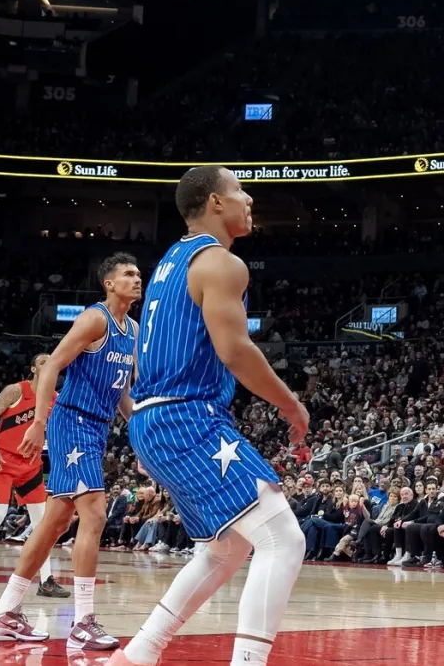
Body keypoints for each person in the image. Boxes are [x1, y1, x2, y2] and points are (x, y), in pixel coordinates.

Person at [112, 165, 309, 666]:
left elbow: (144, 354)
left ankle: (137, 654)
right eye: (240, 191)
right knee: (284, 540)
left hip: (154, 419)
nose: (249, 201)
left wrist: (147, 428)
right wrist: (290, 403)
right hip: (186, 418)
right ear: (215, 202)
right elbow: (236, 352)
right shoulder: (221, 263)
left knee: (223, 550)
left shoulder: (168, 264)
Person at [0, 253, 142, 649]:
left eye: (139, 274)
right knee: (96, 513)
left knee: (54, 523)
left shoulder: (133, 330)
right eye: (128, 274)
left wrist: (139, 433)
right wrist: (38, 423)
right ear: (108, 283)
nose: (137, 279)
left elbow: (122, 390)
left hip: (96, 427)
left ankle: (5, 611)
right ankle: (84, 620)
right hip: (71, 421)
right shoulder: (96, 318)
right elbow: (52, 365)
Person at [0, 354, 69, 600]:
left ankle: (46, 581)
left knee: (43, 524)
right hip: (3, 461)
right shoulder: (16, 391)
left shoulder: (55, 400)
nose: (48, 363)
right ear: (33, 368)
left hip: (31, 466)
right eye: (43, 361)